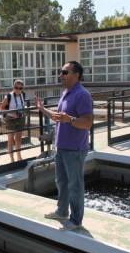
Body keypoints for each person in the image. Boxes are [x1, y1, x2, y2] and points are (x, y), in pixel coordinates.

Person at [37, 61, 93, 230]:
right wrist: (42, 109)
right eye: (61, 72)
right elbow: (58, 117)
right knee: (61, 181)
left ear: (76, 75)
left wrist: (71, 119)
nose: (61, 75)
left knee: (75, 185)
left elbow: (88, 122)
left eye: (65, 72)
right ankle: (62, 211)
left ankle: (76, 220)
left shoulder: (82, 95)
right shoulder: (66, 93)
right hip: (61, 147)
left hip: (74, 149)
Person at [0, 79, 26, 162]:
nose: (18, 89)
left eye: (20, 88)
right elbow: (1, 108)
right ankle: (12, 158)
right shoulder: (9, 96)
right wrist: (12, 113)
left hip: (20, 118)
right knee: (11, 139)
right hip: (11, 119)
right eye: (16, 87)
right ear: (13, 87)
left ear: (22, 88)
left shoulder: (23, 95)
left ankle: (19, 156)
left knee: (18, 138)